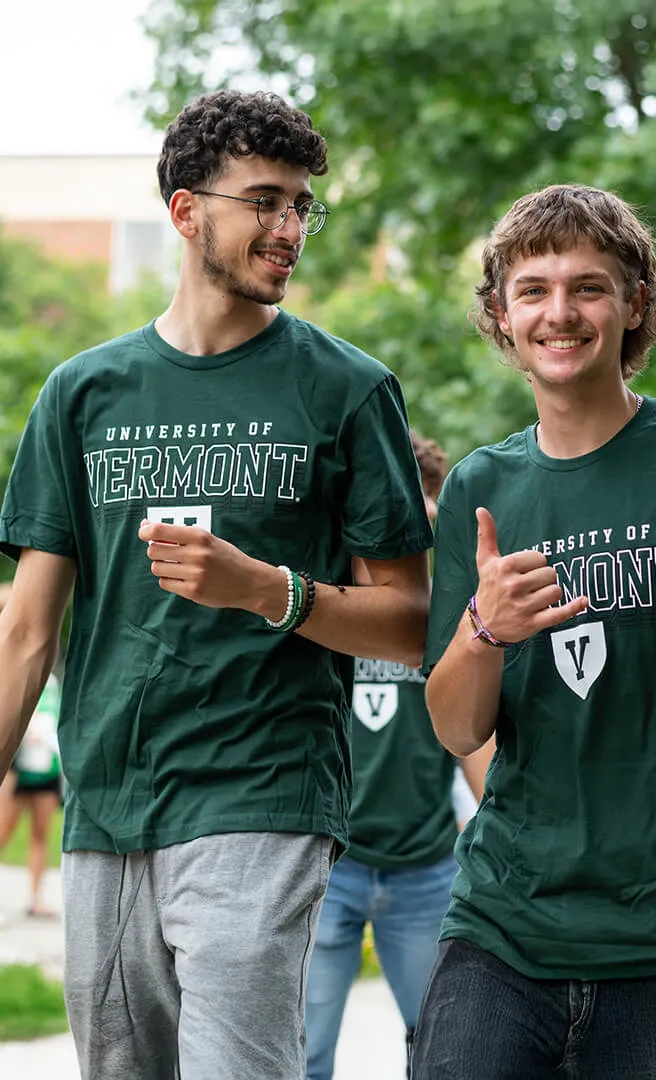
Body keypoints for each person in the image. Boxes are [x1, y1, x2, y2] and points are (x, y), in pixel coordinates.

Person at [0, 90, 432, 1080]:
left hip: (264, 793)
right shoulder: (80, 393)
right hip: (107, 801)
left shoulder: (346, 389)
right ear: (188, 212)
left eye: (302, 208)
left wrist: (268, 591)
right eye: (266, 202)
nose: (290, 231)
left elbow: (412, 622)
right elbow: (26, 632)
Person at [410, 183, 656, 1080]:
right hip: (502, 931)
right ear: (501, 314)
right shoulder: (480, 488)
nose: (561, 312)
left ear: (635, 304)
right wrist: (483, 629)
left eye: (589, 287)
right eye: (534, 289)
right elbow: (454, 727)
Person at [304, 430, 494, 1080]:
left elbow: (473, 739)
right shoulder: (314, 600)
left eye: (423, 509)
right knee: (301, 1055)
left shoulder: (447, 606)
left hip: (424, 864)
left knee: (445, 1050)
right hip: (329, 866)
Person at [0, 583, 64, 919]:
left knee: (41, 834)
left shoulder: (49, 674)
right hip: (14, 763)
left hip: (47, 764)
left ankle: (35, 898)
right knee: (3, 829)